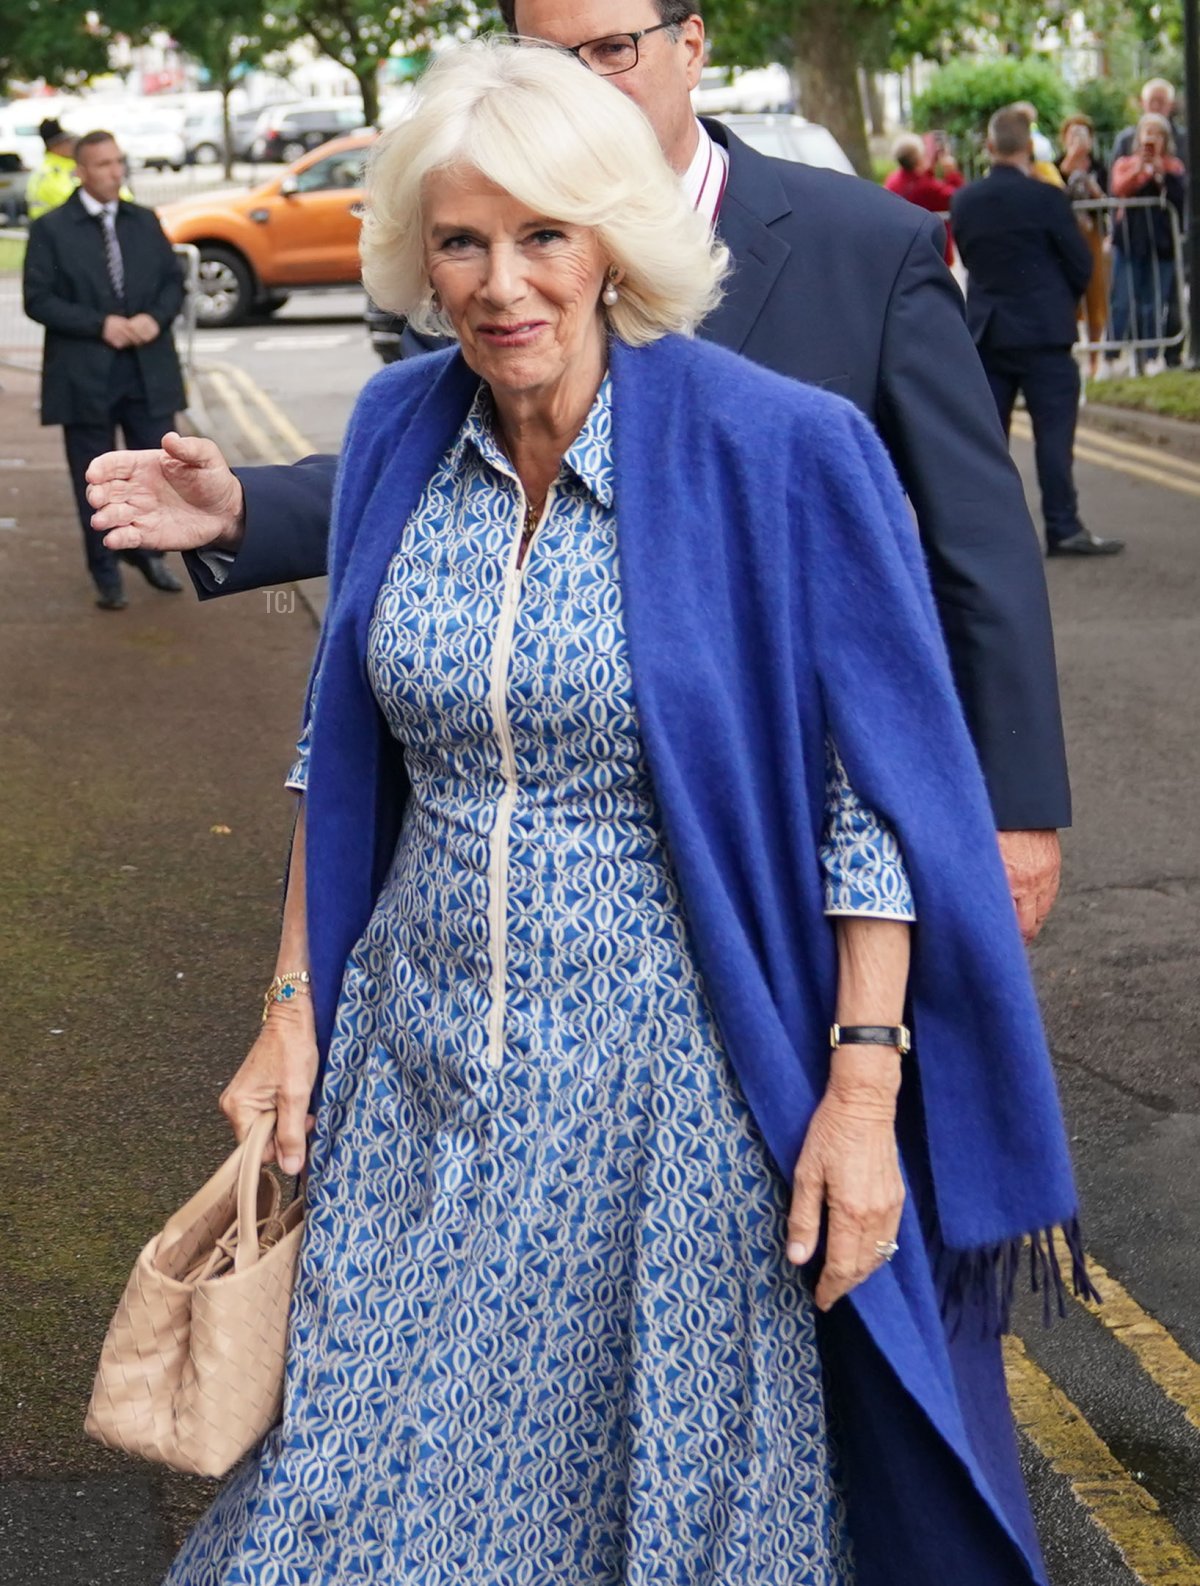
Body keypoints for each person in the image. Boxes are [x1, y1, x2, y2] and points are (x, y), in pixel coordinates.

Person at [161, 43, 1089, 1586]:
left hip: (667, 1095)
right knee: (341, 1500)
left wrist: (862, 1095)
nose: (501, 282)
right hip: (415, 1076)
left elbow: (873, 809)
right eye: (462, 239)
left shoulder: (777, 448)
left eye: (545, 235)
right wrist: (288, 1010)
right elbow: (340, 748)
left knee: (659, 1512)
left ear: (614, 244)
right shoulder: (403, 429)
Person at [86, 0, 1070, 944]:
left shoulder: (868, 246)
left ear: (692, 45)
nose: (582, 90)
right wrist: (242, 506)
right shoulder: (504, 253)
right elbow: (433, 463)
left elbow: (976, 543)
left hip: (783, 822)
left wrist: (1016, 805)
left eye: (611, 50)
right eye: (549, 60)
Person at [22, 130, 185, 609]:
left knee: (155, 473)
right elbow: (38, 299)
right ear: (80, 171)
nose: (115, 172)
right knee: (95, 482)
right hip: (84, 376)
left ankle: (150, 554)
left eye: (119, 161)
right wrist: (102, 325)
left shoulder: (144, 219)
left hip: (146, 373)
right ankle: (106, 570)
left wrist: (153, 319)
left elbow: (173, 282)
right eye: (103, 164)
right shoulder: (51, 229)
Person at [951, 107, 1122, 558]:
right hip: (1045, 332)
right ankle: (1063, 527)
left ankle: (989, 536)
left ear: (989, 148)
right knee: (1053, 437)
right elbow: (1081, 263)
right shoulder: (1048, 198)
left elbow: (968, 257)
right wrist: (1055, 299)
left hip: (988, 332)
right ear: (1029, 148)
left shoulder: (965, 201)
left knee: (989, 441)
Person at [1112, 81, 1187, 368]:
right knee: (1123, 300)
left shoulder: (1175, 163)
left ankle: (1156, 356)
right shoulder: (1125, 157)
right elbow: (1118, 188)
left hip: (1163, 241)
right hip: (1131, 239)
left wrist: (1159, 172)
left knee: (1156, 303)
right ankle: (1117, 357)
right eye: (1148, 134)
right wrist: (1141, 170)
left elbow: (1179, 195)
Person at [1057, 114, 1108, 376]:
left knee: (1095, 296)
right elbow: (1053, 194)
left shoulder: (1098, 166)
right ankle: (1070, 358)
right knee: (1068, 299)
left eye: (1083, 134)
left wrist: (1090, 182)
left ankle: (1095, 359)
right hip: (1064, 241)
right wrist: (1069, 165)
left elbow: (1106, 201)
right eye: (1072, 134)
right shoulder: (1055, 166)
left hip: (1092, 238)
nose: (1078, 139)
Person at [883, 131, 964, 264]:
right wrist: (952, 174)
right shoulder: (927, 187)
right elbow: (959, 199)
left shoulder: (892, 181)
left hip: (905, 251)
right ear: (919, 158)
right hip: (934, 254)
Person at [25, 120, 78, 220]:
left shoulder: (70, 166)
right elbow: (73, 202)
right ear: (54, 145)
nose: (72, 145)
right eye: (67, 141)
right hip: (52, 230)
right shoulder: (51, 172)